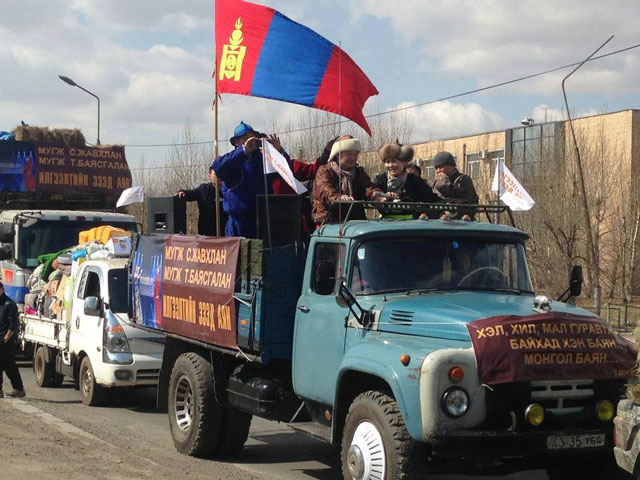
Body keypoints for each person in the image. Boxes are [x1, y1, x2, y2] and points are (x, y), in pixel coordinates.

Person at [211, 121, 285, 238]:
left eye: (252, 137)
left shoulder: (263, 159)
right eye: (245, 138)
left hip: (262, 222)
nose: (250, 140)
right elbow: (218, 167)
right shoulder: (233, 160)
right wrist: (244, 151)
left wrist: (278, 152)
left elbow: (286, 172)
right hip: (239, 224)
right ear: (237, 142)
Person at [312, 135, 386, 225]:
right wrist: (338, 197)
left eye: (355, 154)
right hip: (329, 221)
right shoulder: (324, 171)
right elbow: (324, 190)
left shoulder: (359, 172)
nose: (353, 158)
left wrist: (378, 196)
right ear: (338, 154)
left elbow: (368, 188)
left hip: (355, 221)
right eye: (349, 154)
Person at [373, 143, 440, 205]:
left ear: (404, 162)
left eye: (394, 161)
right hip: (385, 218)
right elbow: (371, 198)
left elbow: (432, 199)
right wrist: (381, 199)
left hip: (412, 218)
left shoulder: (415, 181)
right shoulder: (381, 180)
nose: (390, 165)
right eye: (387, 162)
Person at [175, 167, 227, 236]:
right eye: (215, 174)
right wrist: (182, 192)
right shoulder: (204, 190)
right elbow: (191, 194)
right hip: (206, 235)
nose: (219, 177)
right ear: (210, 176)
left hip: (225, 236)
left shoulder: (229, 191)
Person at [0, 282, 25, 398]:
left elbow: (13, 324)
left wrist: (6, 338)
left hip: (6, 341)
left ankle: (19, 389)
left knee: (9, 366)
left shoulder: (9, 304)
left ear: (2, 289)